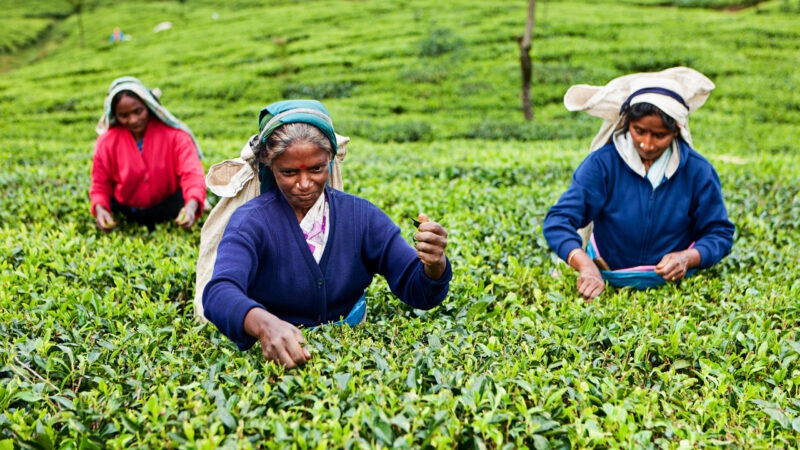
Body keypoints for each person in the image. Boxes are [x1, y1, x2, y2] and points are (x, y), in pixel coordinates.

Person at [202, 100, 452, 368]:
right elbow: (219, 292)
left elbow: (417, 289)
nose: (304, 184)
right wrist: (265, 325)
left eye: (316, 168)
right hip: (277, 359)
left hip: (352, 358)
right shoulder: (251, 222)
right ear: (270, 166)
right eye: (288, 172)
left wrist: (434, 265)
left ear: (330, 161)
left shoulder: (360, 217)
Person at [543, 67, 735, 300]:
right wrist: (585, 266)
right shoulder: (603, 165)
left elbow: (719, 233)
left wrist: (688, 258)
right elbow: (558, 220)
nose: (647, 144)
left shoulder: (698, 171)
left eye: (659, 135)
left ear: (677, 130)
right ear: (626, 124)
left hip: (672, 287)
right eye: (639, 131)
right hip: (608, 275)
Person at [90, 76, 206, 231]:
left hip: (170, 207)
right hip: (126, 211)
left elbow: (192, 174)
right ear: (115, 115)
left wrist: (191, 205)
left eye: (138, 111)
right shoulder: (106, 142)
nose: (133, 120)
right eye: (124, 115)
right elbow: (100, 183)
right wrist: (101, 209)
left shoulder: (177, 137)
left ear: (148, 106)